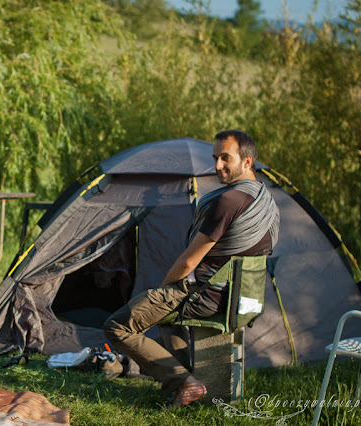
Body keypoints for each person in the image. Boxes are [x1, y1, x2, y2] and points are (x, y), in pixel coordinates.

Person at [103, 129, 280, 408]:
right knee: (163, 315)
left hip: (206, 295)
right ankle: (183, 382)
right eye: (215, 158)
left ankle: (183, 382)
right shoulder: (266, 201)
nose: (218, 165)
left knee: (116, 325)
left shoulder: (228, 201)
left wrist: (163, 290)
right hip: (241, 298)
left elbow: (188, 261)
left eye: (226, 158)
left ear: (247, 162)